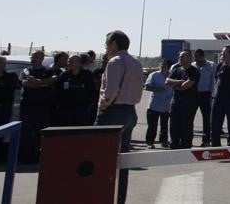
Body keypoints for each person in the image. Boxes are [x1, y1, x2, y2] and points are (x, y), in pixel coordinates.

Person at [96, 29, 145, 204]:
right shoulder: (136, 63)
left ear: (114, 44)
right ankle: (120, 198)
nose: (106, 48)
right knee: (124, 160)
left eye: (107, 44)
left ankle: (101, 196)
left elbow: (110, 92)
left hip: (113, 112)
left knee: (101, 158)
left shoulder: (115, 62)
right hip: (130, 112)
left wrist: (102, 107)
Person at [19, 50, 57, 160]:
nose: (33, 59)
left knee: (40, 133)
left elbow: (53, 81)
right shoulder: (26, 71)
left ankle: (38, 155)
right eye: (32, 57)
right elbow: (26, 84)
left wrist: (38, 81)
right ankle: (25, 156)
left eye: (36, 57)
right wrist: (44, 84)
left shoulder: (48, 71)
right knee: (26, 133)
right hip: (27, 107)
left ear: (42, 58)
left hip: (43, 107)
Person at [166, 50, 201, 149]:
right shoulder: (176, 69)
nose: (179, 58)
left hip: (189, 102)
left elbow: (185, 86)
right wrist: (180, 81)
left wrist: (175, 85)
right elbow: (167, 81)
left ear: (189, 58)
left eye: (182, 57)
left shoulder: (194, 71)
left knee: (186, 124)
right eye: (179, 56)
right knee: (173, 124)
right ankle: (174, 143)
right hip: (176, 101)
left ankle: (186, 145)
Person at [55, 54, 97, 126]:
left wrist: (89, 104)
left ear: (79, 63)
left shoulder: (87, 75)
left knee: (81, 132)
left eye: (73, 61)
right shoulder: (63, 75)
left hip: (83, 110)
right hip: (66, 110)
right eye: (69, 61)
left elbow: (92, 90)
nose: (70, 63)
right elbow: (58, 91)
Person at [144, 58, 174, 148]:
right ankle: (150, 142)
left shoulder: (172, 75)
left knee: (164, 126)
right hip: (154, 105)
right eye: (161, 64)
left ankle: (164, 141)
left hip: (166, 105)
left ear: (168, 67)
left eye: (164, 64)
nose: (162, 66)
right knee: (152, 126)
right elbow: (147, 87)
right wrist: (158, 89)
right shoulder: (154, 75)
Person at [193, 49, 215, 147]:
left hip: (205, 95)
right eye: (195, 57)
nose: (195, 59)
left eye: (197, 57)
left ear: (202, 56)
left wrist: (211, 95)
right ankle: (188, 138)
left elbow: (213, 81)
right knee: (189, 117)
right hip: (193, 94)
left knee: (206, 119)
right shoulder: (193, 65)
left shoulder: (211, 65)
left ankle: (206, 140)